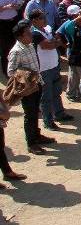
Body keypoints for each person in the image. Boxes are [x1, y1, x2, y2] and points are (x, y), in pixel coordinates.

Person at [8, 20, 55, 155]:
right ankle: (31, 143)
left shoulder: (29, 45)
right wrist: (26, 77)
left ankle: (37, 135)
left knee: (35, 112)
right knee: (30, 114)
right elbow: (11, 72)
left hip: (37, 83)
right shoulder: (16, 51)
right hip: (28, 88)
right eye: (28, 33)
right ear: (20, 37)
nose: (31, 35)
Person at [29, 9, 72, 130]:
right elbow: (47, 46)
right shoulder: (35, 33)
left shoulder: (47, 29)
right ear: (34, 20)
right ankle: (48, 121)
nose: (45, 19)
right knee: (46, 96)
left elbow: (57, 41)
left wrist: (54, 42)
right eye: (42, 17)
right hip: (43, 69)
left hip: (54, 66)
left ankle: (59, 114)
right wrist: (54, 43)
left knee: (56, 92)